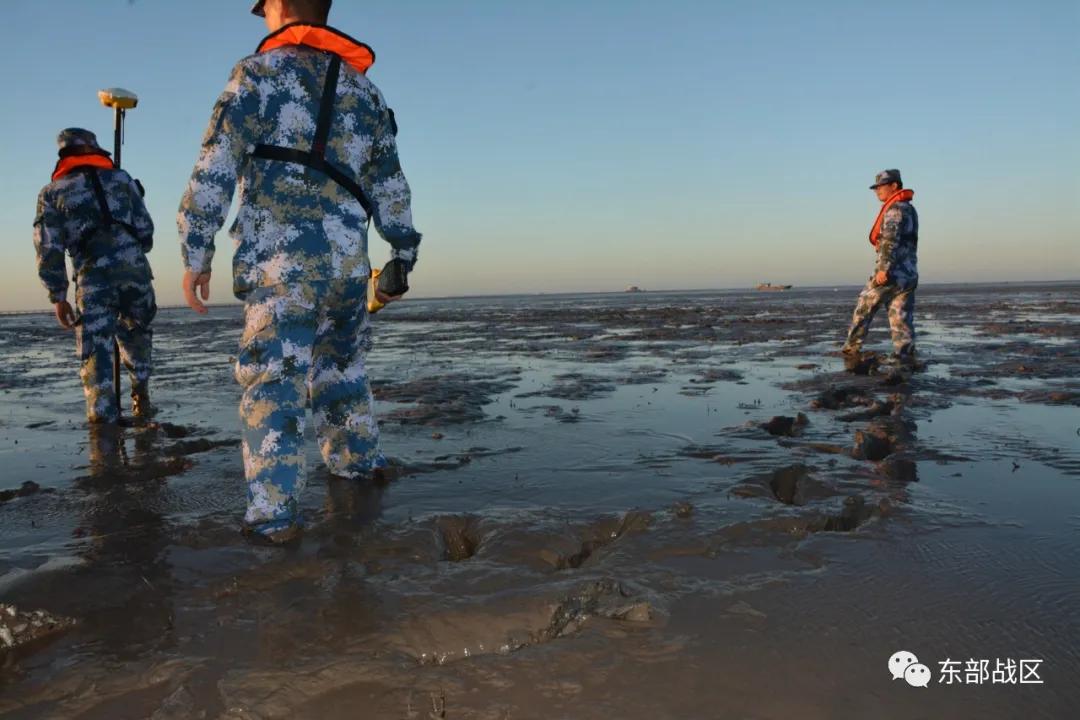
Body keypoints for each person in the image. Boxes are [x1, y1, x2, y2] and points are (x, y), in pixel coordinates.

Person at [177, 0, 423, 544]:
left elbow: (215, 164)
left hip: (281, 264)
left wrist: (196, 249)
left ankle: (274, 520)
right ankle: (359, 471)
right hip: (347, 264)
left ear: (280, 6)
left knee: (274, 384)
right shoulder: (366, 93)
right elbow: (391, 185)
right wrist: (403, 251)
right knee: (342, 372)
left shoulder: (256, 74)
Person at [33, 128, 157, 423]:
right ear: (94, 147)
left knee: (96, 354)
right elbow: (146, 231)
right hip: (135, 273)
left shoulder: (52, 193)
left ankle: (103, 427)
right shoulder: (123, 179)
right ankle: (141, 396)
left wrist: (58, 295)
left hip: (93, 282)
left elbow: (48, 249)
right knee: (137, 337)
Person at [841, 169, 919, 365]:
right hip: (908, 275)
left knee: (864, 306)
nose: (877, 191)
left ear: (894, 186)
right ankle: (905, 356)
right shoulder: (910, 209)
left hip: (892, 273)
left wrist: (883, 268)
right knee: (901, 317)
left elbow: (889, 240)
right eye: (875, 188)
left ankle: (851, 349)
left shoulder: (894, 210)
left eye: (881, 186)